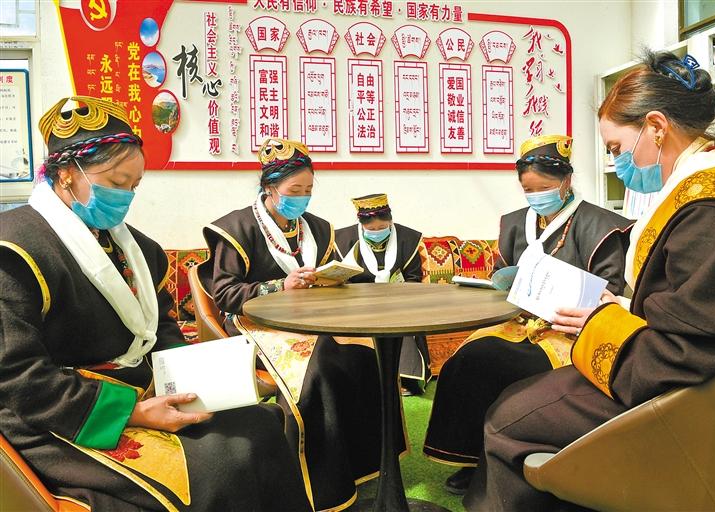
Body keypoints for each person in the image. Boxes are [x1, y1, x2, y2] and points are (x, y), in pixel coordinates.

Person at [464, 50, 715, 511]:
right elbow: (693, 307)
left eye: (616, 149)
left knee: (508, 420)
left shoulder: (714, 207)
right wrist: (620, 309)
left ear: (657, 127)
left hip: (687, 395)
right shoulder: (702, 188)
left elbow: (693, 346)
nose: (617, 163)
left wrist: (601, 322)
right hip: (677, 369)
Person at [0, 97, 311, 511]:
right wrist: (134, 412)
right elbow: (17, 376)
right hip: (61, 413)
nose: (126, 197)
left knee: (260, 424)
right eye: (116, 182)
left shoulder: (137, 249)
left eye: (134, 186)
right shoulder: (15, 248)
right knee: (221, 464)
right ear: (65, 173)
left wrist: (210, 380)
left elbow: (160, 328)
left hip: (144, 389)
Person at [197, 139, 406, 512]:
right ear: (270, 187)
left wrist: (334, 279)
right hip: (255, 323)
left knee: (365, 354)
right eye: (295, 191)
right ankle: (319, 482)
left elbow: (336, 274)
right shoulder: (236, 228)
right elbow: (225, 294)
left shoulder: (318, 229)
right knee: (320, 366)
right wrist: (281, 285)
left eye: (308, 190)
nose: (303, 198)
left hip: (312, 320)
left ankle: (363, 467)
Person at [424, 134, 633, 495]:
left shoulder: (601, 225)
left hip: (566, 330)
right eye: (528, 189)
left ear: (566, 181)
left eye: (545, 187)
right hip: (517, 321)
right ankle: (469, 457)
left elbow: (607, 291)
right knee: (467, 358)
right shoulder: (515, 223)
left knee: (502, 366)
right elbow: (502, 275)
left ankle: (503, 460)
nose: (537, 196)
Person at [335, 193, 431, 395]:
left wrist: (396, 297)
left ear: (391, 222)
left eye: (382, 228)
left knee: (402, 319)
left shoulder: (409, 239)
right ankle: (364, 378)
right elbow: (340, 279)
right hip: (357, 303)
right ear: (361, 225)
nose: (377, 232)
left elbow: (413, 277)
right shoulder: (343, 240)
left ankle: (405, 378)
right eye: (371, 229)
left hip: (398, 300)